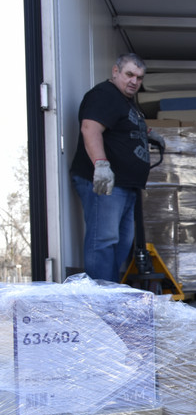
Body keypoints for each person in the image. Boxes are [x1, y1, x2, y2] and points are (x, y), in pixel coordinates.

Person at [70, 53, 163, 282]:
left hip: (126, 185)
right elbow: (90, 128)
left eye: (139, 78)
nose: (134, 81)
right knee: (103, 240)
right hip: (107, 183)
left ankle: (110, 292)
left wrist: (147, 133)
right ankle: (101, 299)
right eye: (129, 74)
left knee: (121, 242)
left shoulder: (124, 101)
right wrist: (101, 166)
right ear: (115, 71)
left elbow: (122, 127)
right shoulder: (104, 95)